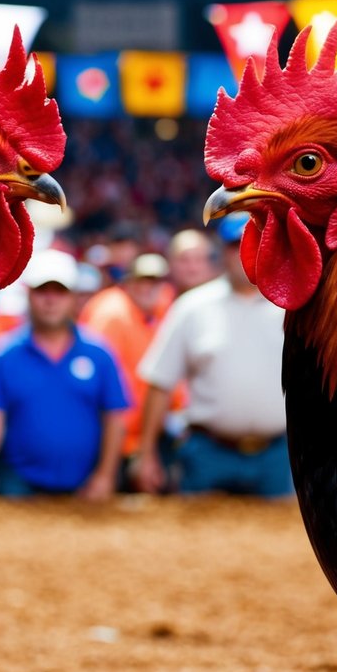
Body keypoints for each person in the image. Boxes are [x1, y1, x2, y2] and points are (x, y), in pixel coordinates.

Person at [133, 213, 290, 497]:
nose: (246, 251)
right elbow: (160, 383)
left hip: (278, 454)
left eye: (256, 240)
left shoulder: (291, 306)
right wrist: (146, 454)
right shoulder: (193, 307)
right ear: (222, 253)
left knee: (281, 537)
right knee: (194, 538)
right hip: (208, 451)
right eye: (236, 245)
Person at [0, 249, 129, 502]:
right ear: (28, 295)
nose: (50, 300)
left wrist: (105, 475)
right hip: (17, 486)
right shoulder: (4, 355)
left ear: (73, 297)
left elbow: (115, 417)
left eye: (60, 292)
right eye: (42, 291)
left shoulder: (99, 354)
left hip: (84, 487)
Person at [78, 252, 175, 461]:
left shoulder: (156, 311)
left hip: (138, 439)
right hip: (112, 440)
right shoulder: (112, 314)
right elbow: (101, 385)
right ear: (128, 282)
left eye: (156, 281)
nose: (148, 288)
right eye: (142, 281)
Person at [166, 228, 218, 294]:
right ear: (171, 263)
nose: (192, 268)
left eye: (198, 260)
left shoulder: (223, 298)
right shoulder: (158, 299)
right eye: (184, 260)